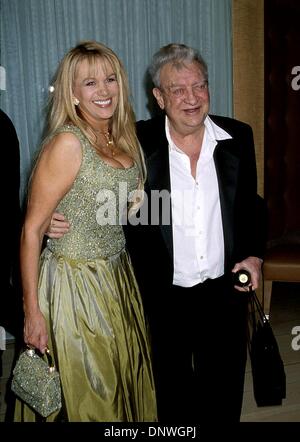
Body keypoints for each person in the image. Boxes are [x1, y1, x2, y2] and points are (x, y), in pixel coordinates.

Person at [48, 43, 266, 422]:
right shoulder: (137, 143)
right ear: (159, 98)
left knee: (224, 393)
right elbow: (92, 185)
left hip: (224, 292)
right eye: (178, 90)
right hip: (163, 298)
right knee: (170, 397)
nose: (192, 98)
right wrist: (56, 213)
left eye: (199, 86)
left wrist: (254, 255)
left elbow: (251, 206)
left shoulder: (238, 137)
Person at [14, 40, 157, 422]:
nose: (104, 90)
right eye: (90, 83)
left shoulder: (121, 135)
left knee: (122, 377)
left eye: (110, 79)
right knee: (93, 393)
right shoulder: (67, 142)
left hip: (117, 277)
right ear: (72, 93)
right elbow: (30, 230)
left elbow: (120, 208)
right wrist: (32, 312)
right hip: (74, 285)